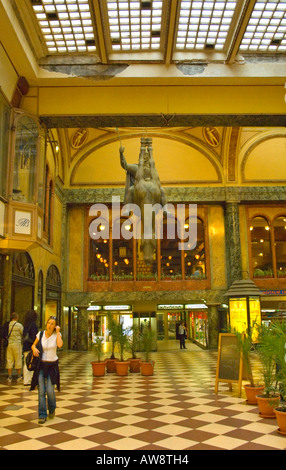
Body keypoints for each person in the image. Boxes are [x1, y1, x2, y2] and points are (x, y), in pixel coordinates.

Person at [31, 316, 63, 424]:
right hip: (41, 365)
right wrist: (34, 349)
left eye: (52, 323)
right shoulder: (40, 334)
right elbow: (33, 345)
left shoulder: (57, 335)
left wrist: (58, 332)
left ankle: (52, 408)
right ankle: (42, 414)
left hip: (52, 365)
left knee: (50, 390)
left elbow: (60, 345)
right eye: (49, 323)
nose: (50, 325)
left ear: (55, 326)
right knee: (41, 391)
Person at [5, 313, 24, 383]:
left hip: (9, 344)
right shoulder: (19, 325)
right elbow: (23, 333)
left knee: (9, 359)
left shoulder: (8, 325)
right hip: (17, 344)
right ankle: (19, 376)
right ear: (17, 318)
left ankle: (9, 377)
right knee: (18, 359)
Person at [23, 310, 38, 386]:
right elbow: (35, 336)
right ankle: (29, 380)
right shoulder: (33, 325)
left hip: (25, 345)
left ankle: (27, 379)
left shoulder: (26, 324)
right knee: (31, 362)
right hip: (31, 346)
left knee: (26, 362)